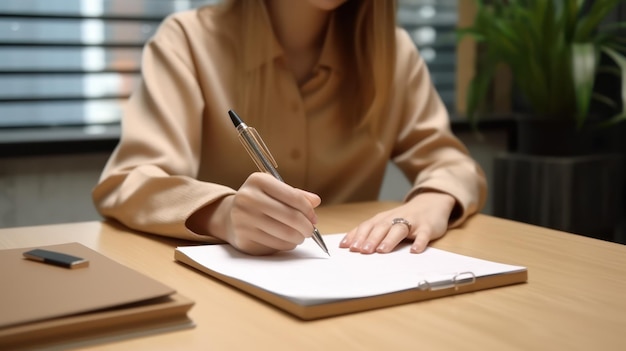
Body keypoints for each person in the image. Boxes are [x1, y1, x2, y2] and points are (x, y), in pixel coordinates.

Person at [92, 0, 487, 256]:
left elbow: (454, 166)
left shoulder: (395, 54)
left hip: (353, 290)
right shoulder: (187, 42)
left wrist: (431, 203)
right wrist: (223, 213)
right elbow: (127, 182)